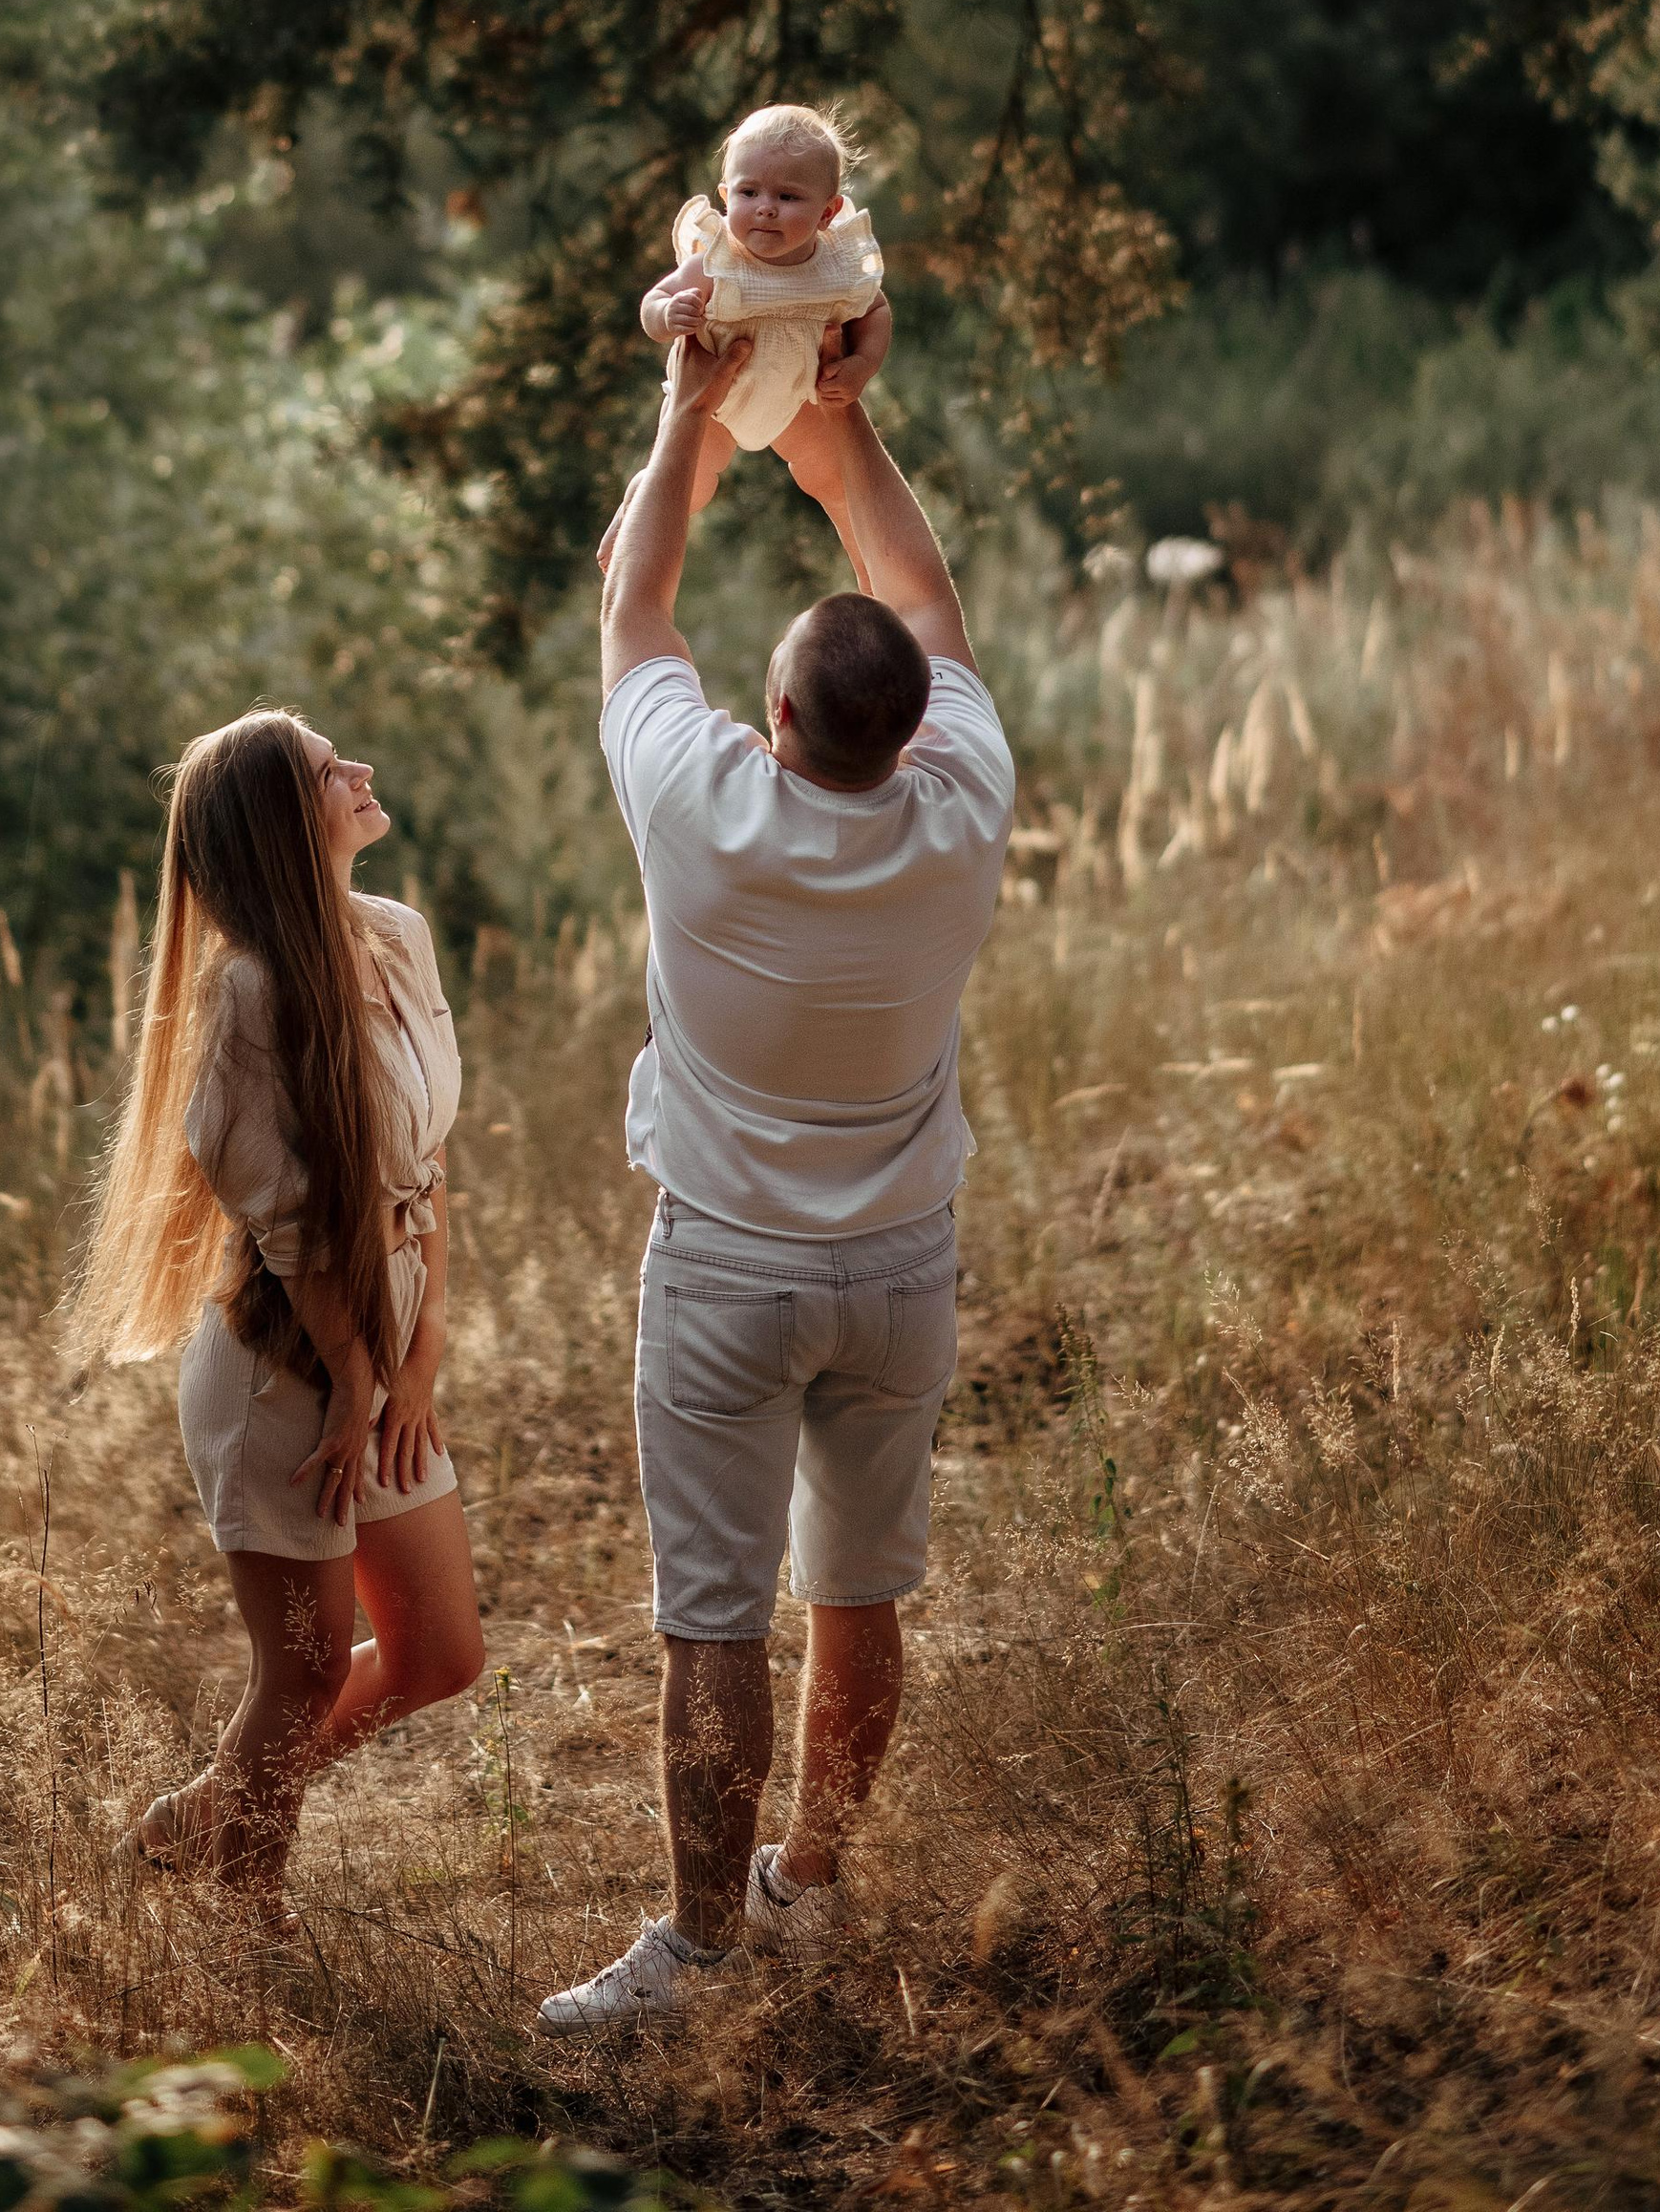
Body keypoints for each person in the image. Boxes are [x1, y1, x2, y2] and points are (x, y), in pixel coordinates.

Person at [538, 329, 1015, 2033]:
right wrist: (840, 423)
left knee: (714, 1621)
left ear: (777, 720)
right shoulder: (962, 805)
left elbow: (634, 604)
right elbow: (928, 601)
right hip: (901, 1269)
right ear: (907, 727)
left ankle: (700, 1951)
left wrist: (693, 411)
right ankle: (810, 1876)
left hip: (731, 1273)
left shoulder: (701, 802)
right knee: (861, 1587)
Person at [70, 708, 485, 1922]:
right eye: (325, 769)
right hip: (281, 1369)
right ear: (276, 821)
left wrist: (419, 1357)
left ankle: (192, 1823)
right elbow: (287, 1228)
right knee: (299, 1675)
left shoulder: (397, 937)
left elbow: (428, 1165)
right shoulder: (245, 997)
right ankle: (248, 1938)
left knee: (440, 1657)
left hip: (382, 1348)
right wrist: (355, 1379)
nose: (359, 771)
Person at [603, 105, 893, 565]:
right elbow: (653, 301)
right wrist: (667, 313)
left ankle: (874, 578)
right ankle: (638, 508)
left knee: (840, 484)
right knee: (686, 485)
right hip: (713, 402)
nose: (765, 207)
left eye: (789, 196)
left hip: (798, 396)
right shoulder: (717, 264)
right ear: (725, 196)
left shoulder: (836, 269)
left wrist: (861, 365)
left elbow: (875, 311)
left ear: (828, 211)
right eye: (749, 191)